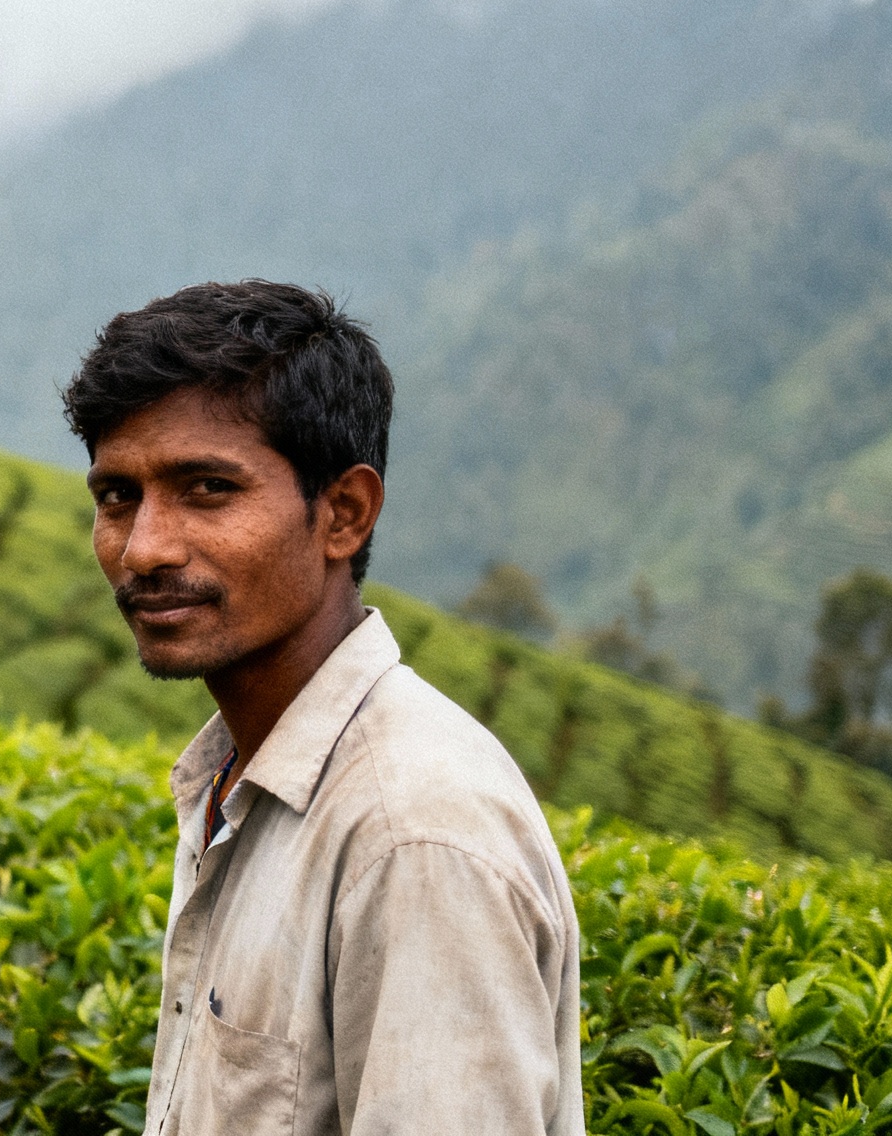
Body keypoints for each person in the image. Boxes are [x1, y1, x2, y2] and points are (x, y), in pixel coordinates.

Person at [65, 281, 581, 1136]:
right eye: (117, 495)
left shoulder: (411, 835)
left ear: (342, 514)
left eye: (206, 489)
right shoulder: (244, 779)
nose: (144, 547)